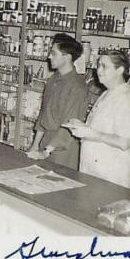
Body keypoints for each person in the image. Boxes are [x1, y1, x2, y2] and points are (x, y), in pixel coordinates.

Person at [65, 50, 130, 189]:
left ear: (120, 70)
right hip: (95, 170)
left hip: (111, 174)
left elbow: (125, 142)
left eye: (104, 66)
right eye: (98, 65)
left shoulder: (125, 99)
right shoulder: (107, 93)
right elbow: (101, 128)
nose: (99, 70)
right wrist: (82, 126)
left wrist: (90, 133)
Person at [26, 34, 88, 170]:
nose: (49, 57)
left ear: (67, 57)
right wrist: (36, 144)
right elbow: (43, 115)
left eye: (54, 53)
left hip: (63, 149)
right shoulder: (52, 80)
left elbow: (70, 125)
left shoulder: (77, 87)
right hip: (46, 143)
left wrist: (47, 151)